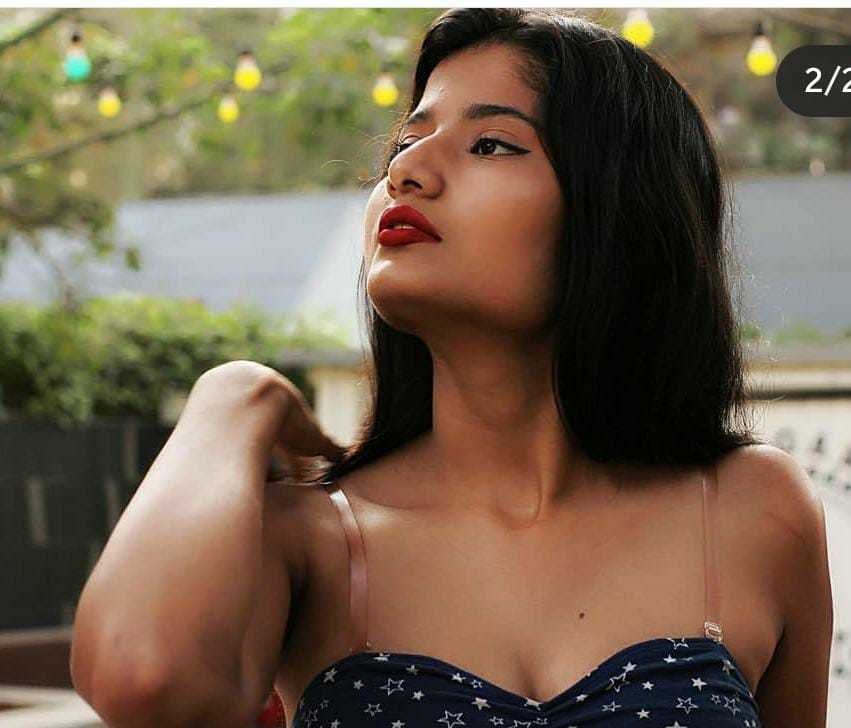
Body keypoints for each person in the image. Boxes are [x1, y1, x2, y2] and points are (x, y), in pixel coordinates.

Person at [70, 8, 833, 728]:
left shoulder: (750, 510)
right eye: (405, 142)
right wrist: (235, 394)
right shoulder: (307, 537)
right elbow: (142, 677)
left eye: (490, 144)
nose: (407, 170)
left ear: (620, 209)